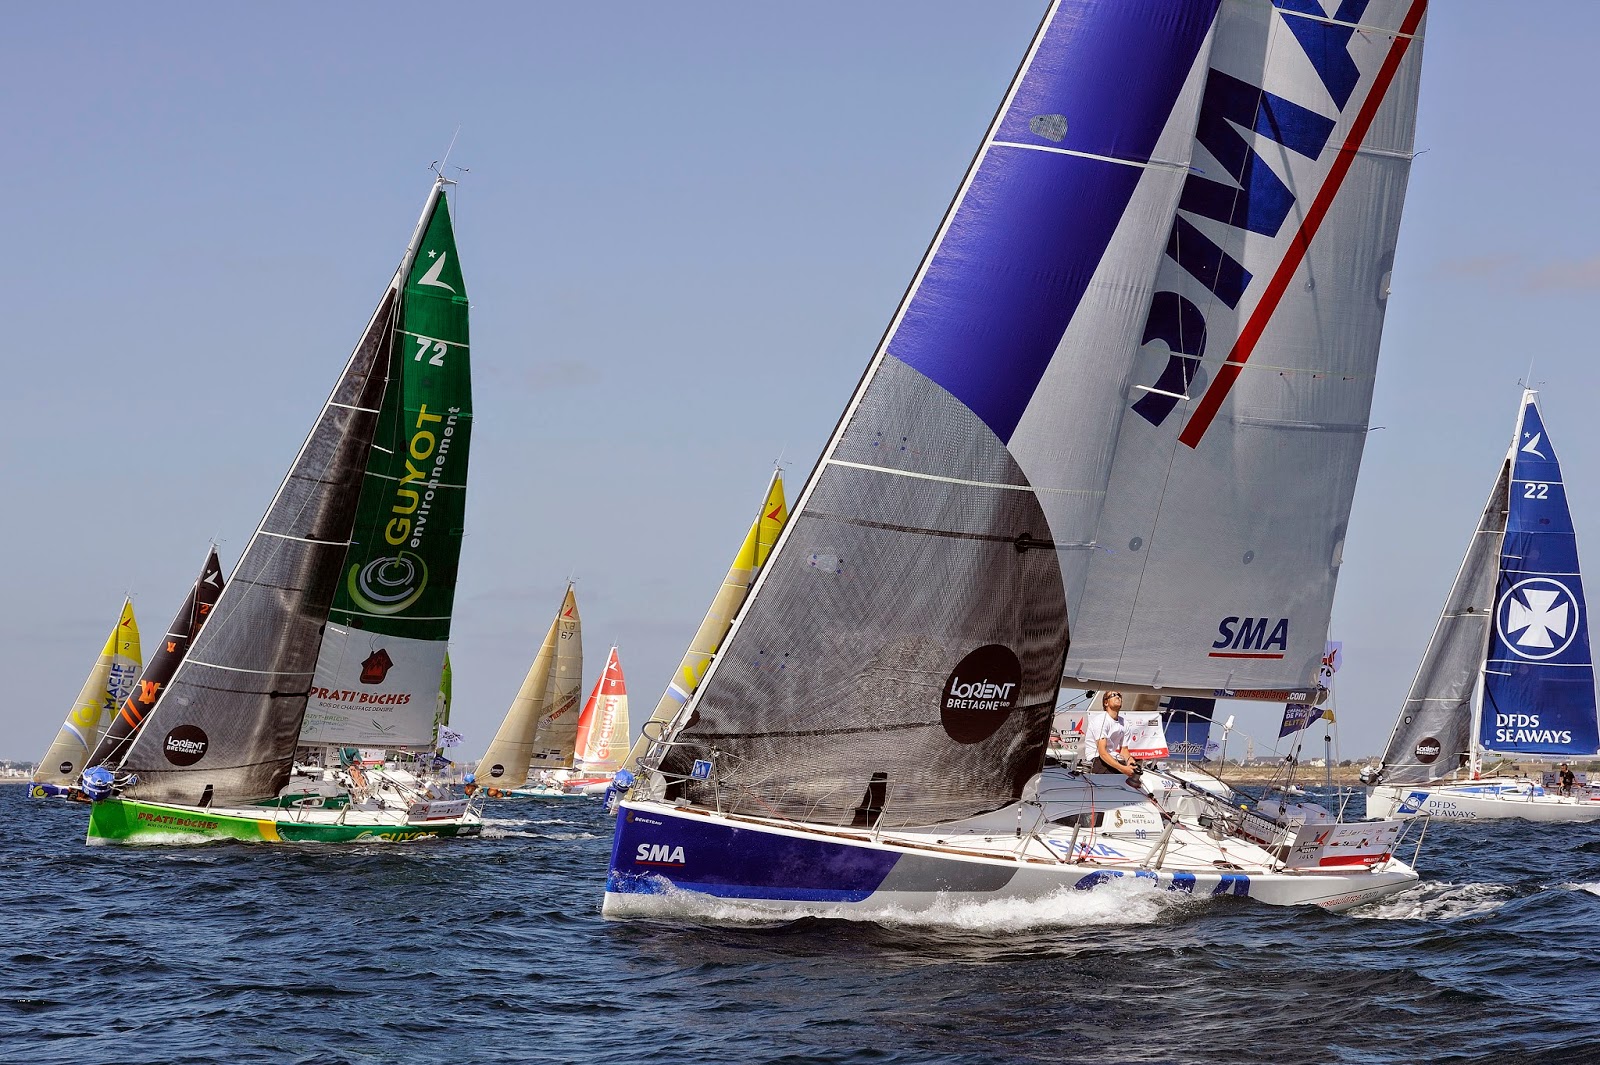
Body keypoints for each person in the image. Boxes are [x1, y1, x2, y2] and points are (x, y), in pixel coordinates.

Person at [1085, 690, 1138, 778]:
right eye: (1113, 695)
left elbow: (1124, 750)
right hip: (1096, 759)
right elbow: (1102, 753)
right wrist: (1123, 769)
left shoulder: (1125, 723)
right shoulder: (1101, 720)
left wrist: (1130, 761)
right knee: (1121, 779)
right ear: (1106, 703)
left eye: (1119, 695)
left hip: (1112, 758)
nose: (1118, 697)